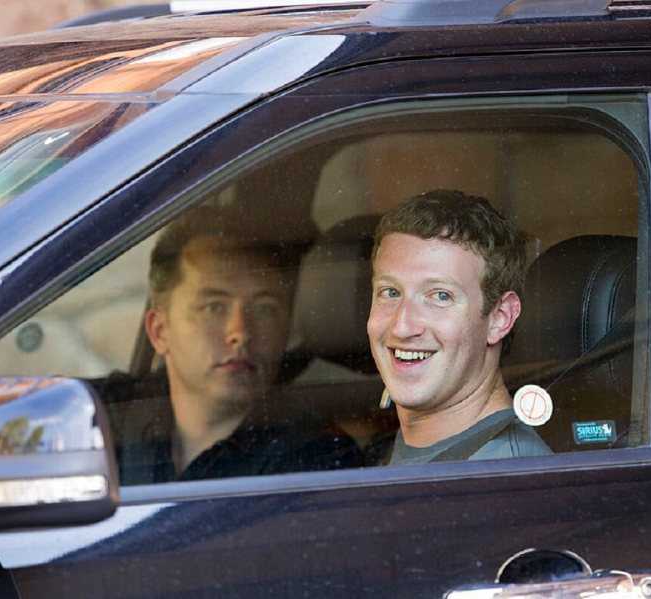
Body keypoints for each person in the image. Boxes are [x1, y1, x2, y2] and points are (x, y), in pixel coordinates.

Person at [118, 206, 359, 483]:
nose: (241, 332)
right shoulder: (113, 413)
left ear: (286, 329)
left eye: (264, 309)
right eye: (214, 307)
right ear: (159, 331)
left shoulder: (315, 460)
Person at [368, 189, 552, 465]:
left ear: (500, 317)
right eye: (390, 292)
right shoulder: (403, 449)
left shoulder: (504, 476)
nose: (402, 327)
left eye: (440, 296)